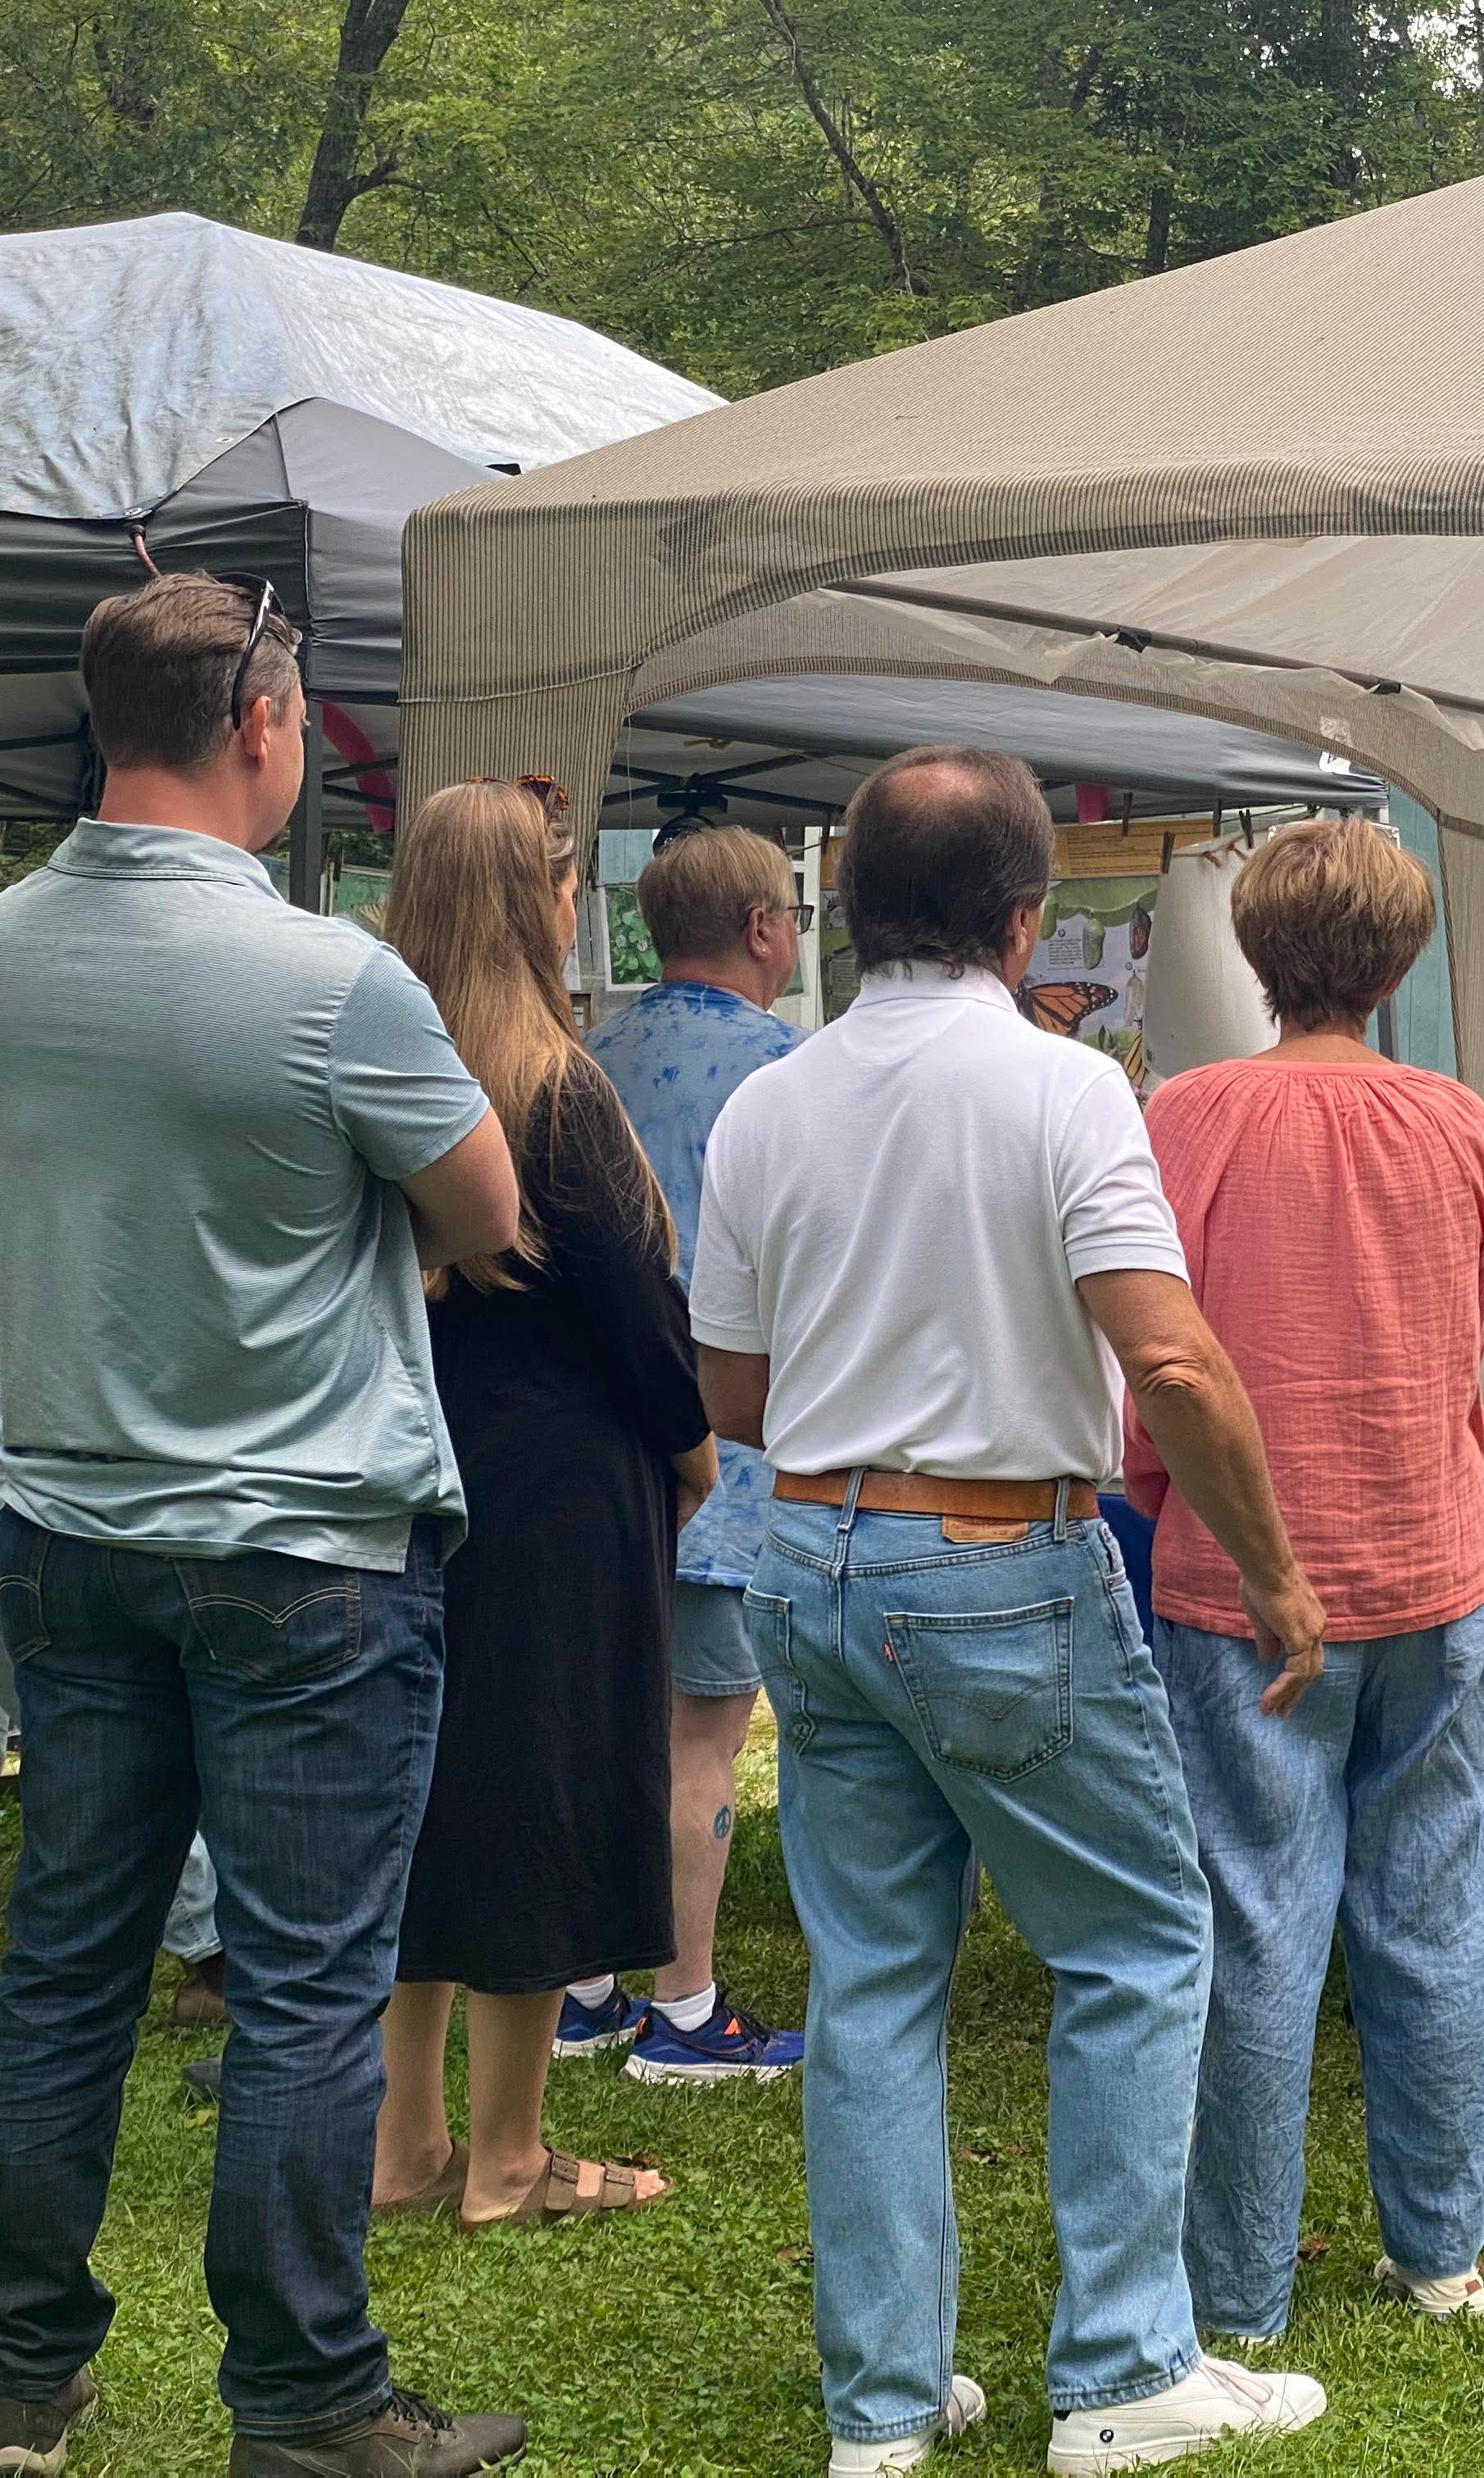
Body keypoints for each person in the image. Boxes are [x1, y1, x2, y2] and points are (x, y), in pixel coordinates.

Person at [692, 746, 1335, 2476]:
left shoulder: (770, 1103)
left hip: (811, 1560)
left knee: (876, 1979)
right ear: (1029, 914)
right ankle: (1124, 2374)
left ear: (840, 903)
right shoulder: (1066, 1090)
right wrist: (1275, 1574)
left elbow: (732, 1389)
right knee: (1134, 1945)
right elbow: (1176, 1358)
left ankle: (884, 2410)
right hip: (998, 1559)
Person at [0, 571, 529, 2476]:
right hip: (306, 1546)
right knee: (309, 1983)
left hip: (64, 1523)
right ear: (262, 726)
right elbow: (486, 1221)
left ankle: (15, 2372)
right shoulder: (331, 980)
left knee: (64, 1956)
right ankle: (308, 2410)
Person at [1129, 815, 1484, 2340]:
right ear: (1403, 955)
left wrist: (1158, 1494)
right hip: (1434, 1551)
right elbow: (1461, 1332)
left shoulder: (1191, 1115)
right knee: (1434, 1899)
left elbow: (1157, 1346)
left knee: (1250, 1911)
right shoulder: (1456, 1119)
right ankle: (1441, 2244)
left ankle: (1232, 2276)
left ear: (1251, 948)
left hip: (1247, 1566)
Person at [369, 777, 718, 2233]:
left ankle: (404, 2141)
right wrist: (693, 1452)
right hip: (564, 1490)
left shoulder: (373, 1067)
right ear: (541, 902)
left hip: (405, 1471)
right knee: (539, 1796)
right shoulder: (557, 1090)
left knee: (419, 1802)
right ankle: (507, 2157)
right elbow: (643, 1319)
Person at [575, 823, 812, 2086]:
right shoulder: (797, 1074)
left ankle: (582, 1988)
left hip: (597, 1457)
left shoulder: (582, 1060)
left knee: (605, 1725)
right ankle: (685, 2011)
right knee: (703, 1740)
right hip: (734, 1456)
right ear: (767, 928)